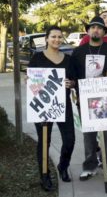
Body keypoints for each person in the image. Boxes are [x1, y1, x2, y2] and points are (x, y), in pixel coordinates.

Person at [69, 16, 107, 181]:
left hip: (106, 98)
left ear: (104, 31)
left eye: (99, 28)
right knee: (88, 135)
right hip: (85, 98)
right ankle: (89, 166)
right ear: (87, 31)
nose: (96, 30)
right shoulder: (78, 51)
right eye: (92, 27)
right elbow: (72, 74)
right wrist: (72, 83)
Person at [28, 26, 75, 191]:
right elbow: (31, 80)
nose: (57, 39)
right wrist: (31, 80)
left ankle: (63, 166)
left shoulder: (68, 59)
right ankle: (44, 175)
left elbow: (74, 79)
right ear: (47, 38)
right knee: (44, 143)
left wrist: (72, 83)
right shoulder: (37, 57)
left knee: (70, 140)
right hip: (43, 106)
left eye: (59, 37)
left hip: (63, 105)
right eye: (53, 36)